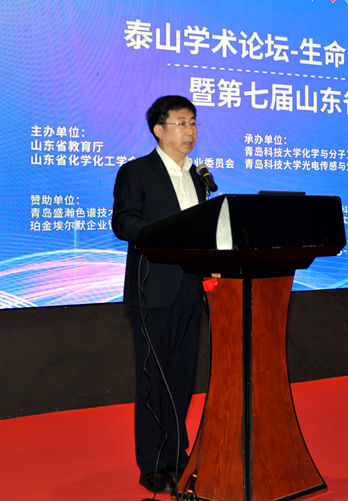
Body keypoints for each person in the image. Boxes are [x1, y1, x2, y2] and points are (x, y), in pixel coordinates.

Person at [112, 95, 207, 495]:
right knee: (154, 379)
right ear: (159, 129)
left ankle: (177, 455)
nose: (190, 131)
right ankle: (152, 464)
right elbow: (123, 223)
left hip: (192, 287)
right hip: (153, 290)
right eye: (181, 123)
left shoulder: (198, 177)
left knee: (182, 378)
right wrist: (165, 234)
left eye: (193, 122)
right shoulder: (136, 172)